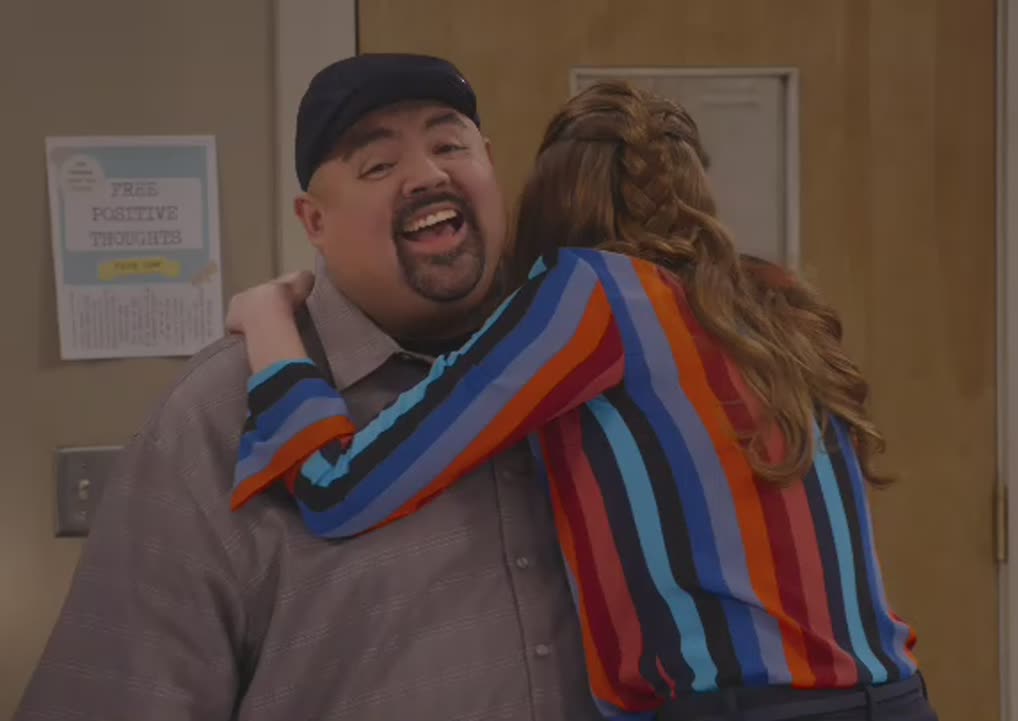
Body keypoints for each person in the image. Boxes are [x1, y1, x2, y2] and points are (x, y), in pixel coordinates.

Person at [225, 81, 937, 721]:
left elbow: (339, 486)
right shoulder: (763, 299)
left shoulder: (592, 293)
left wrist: (267, 317)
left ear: (545, 198)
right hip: (897, 696)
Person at [14, 54, 601, 721]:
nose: (428, 174)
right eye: (379, 165)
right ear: (314, 221)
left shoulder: (595, 363)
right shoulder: (215, 417)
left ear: (490, 164)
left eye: (449, 145)